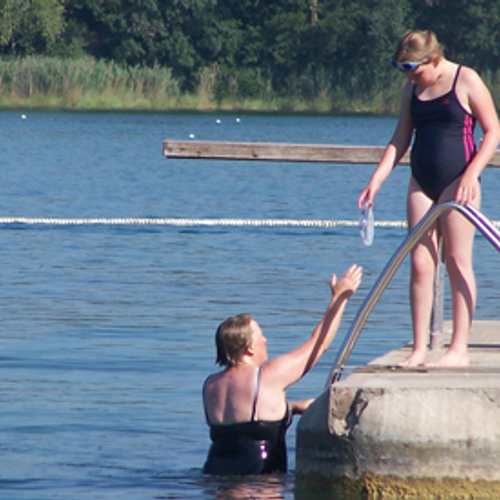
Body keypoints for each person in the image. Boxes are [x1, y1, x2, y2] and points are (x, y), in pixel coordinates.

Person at [358, 30, 500, 368]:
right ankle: (420, 347)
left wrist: (470, 175)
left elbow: (493, 130)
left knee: (455, 260)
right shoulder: (413, 88)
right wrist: (376, 180)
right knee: (421, 263)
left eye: (415, 71)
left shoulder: (466, 79)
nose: (411, 78)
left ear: (434, 59)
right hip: (421, 180)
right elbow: (400, 139)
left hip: (459, 181)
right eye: (404, 72)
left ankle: (458, 350)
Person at [202, 264, 362, 475]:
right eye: (261, 336)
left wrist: (292, 408)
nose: (266, 340)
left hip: (214, 477)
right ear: (249, 348)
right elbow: (318, 344)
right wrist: (340, 298)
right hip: (259, 484)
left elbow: (243, 424)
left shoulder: (211, 385)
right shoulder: (267, 375)